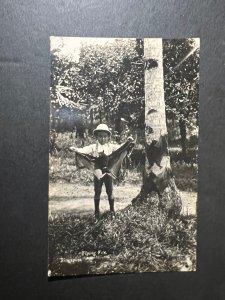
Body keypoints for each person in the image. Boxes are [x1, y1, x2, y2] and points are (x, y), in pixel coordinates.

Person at [70, 123, 133, 219]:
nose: (103, 139)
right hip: (97, 171)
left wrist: (128, 143)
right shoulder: (93, 147)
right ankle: (96, 211)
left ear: (108, 137)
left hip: (108, 171)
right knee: (97, 191)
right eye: (100, 136)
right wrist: (75, 149)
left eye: (105, 136)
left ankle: (112, 210)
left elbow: (121, 148)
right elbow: (84, 150)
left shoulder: (111, 146)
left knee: (110, 190)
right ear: (96, 136)